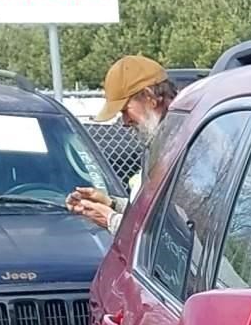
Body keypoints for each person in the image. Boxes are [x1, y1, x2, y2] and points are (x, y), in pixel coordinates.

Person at [66, 55, 174, 232]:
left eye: (125, 110)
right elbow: (157, 214)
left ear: (149, 96)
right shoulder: (170, 135)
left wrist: (111, 220)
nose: (124, 122)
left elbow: (162, 233)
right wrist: (112, 204)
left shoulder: (181, 140)